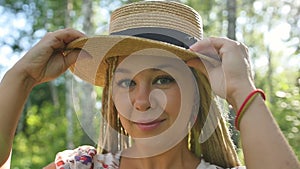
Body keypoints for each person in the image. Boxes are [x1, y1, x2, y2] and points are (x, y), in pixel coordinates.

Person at [0, 1, 299, 169]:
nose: (141, 101)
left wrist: (240, 89)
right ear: (110, 97)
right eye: (127, 82)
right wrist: (22, 77)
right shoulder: (82, 167)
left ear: (195, 92)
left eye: (163, 79)